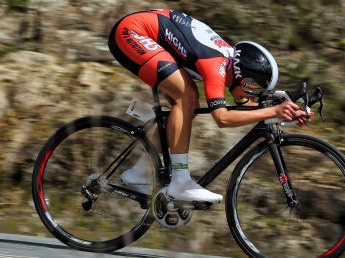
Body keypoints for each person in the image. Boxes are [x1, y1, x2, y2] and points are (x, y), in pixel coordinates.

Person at [108, 9, 312, 204]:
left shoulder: (232, 64)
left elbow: (249, 107)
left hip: (150, 33)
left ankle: (138, 173)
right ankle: (180, 181)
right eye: (253, 86)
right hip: (132, 32)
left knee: (187, 107)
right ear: (242, 76)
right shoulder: (216, 65)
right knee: (187, 97)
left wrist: (283, 115)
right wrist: (274, 111)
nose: (254, 93)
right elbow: (222, 118)